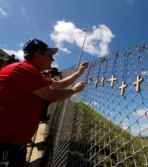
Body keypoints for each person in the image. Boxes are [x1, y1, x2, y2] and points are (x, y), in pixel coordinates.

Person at [0, 38, 89, 167]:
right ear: (38, 55)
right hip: (5, 141)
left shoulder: (32, 72)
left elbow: (58, 84)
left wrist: (79, 72)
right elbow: (52, 95)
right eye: (50, 55)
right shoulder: (24, 70)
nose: (52, 59)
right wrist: (75, 90)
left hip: (15, 141)